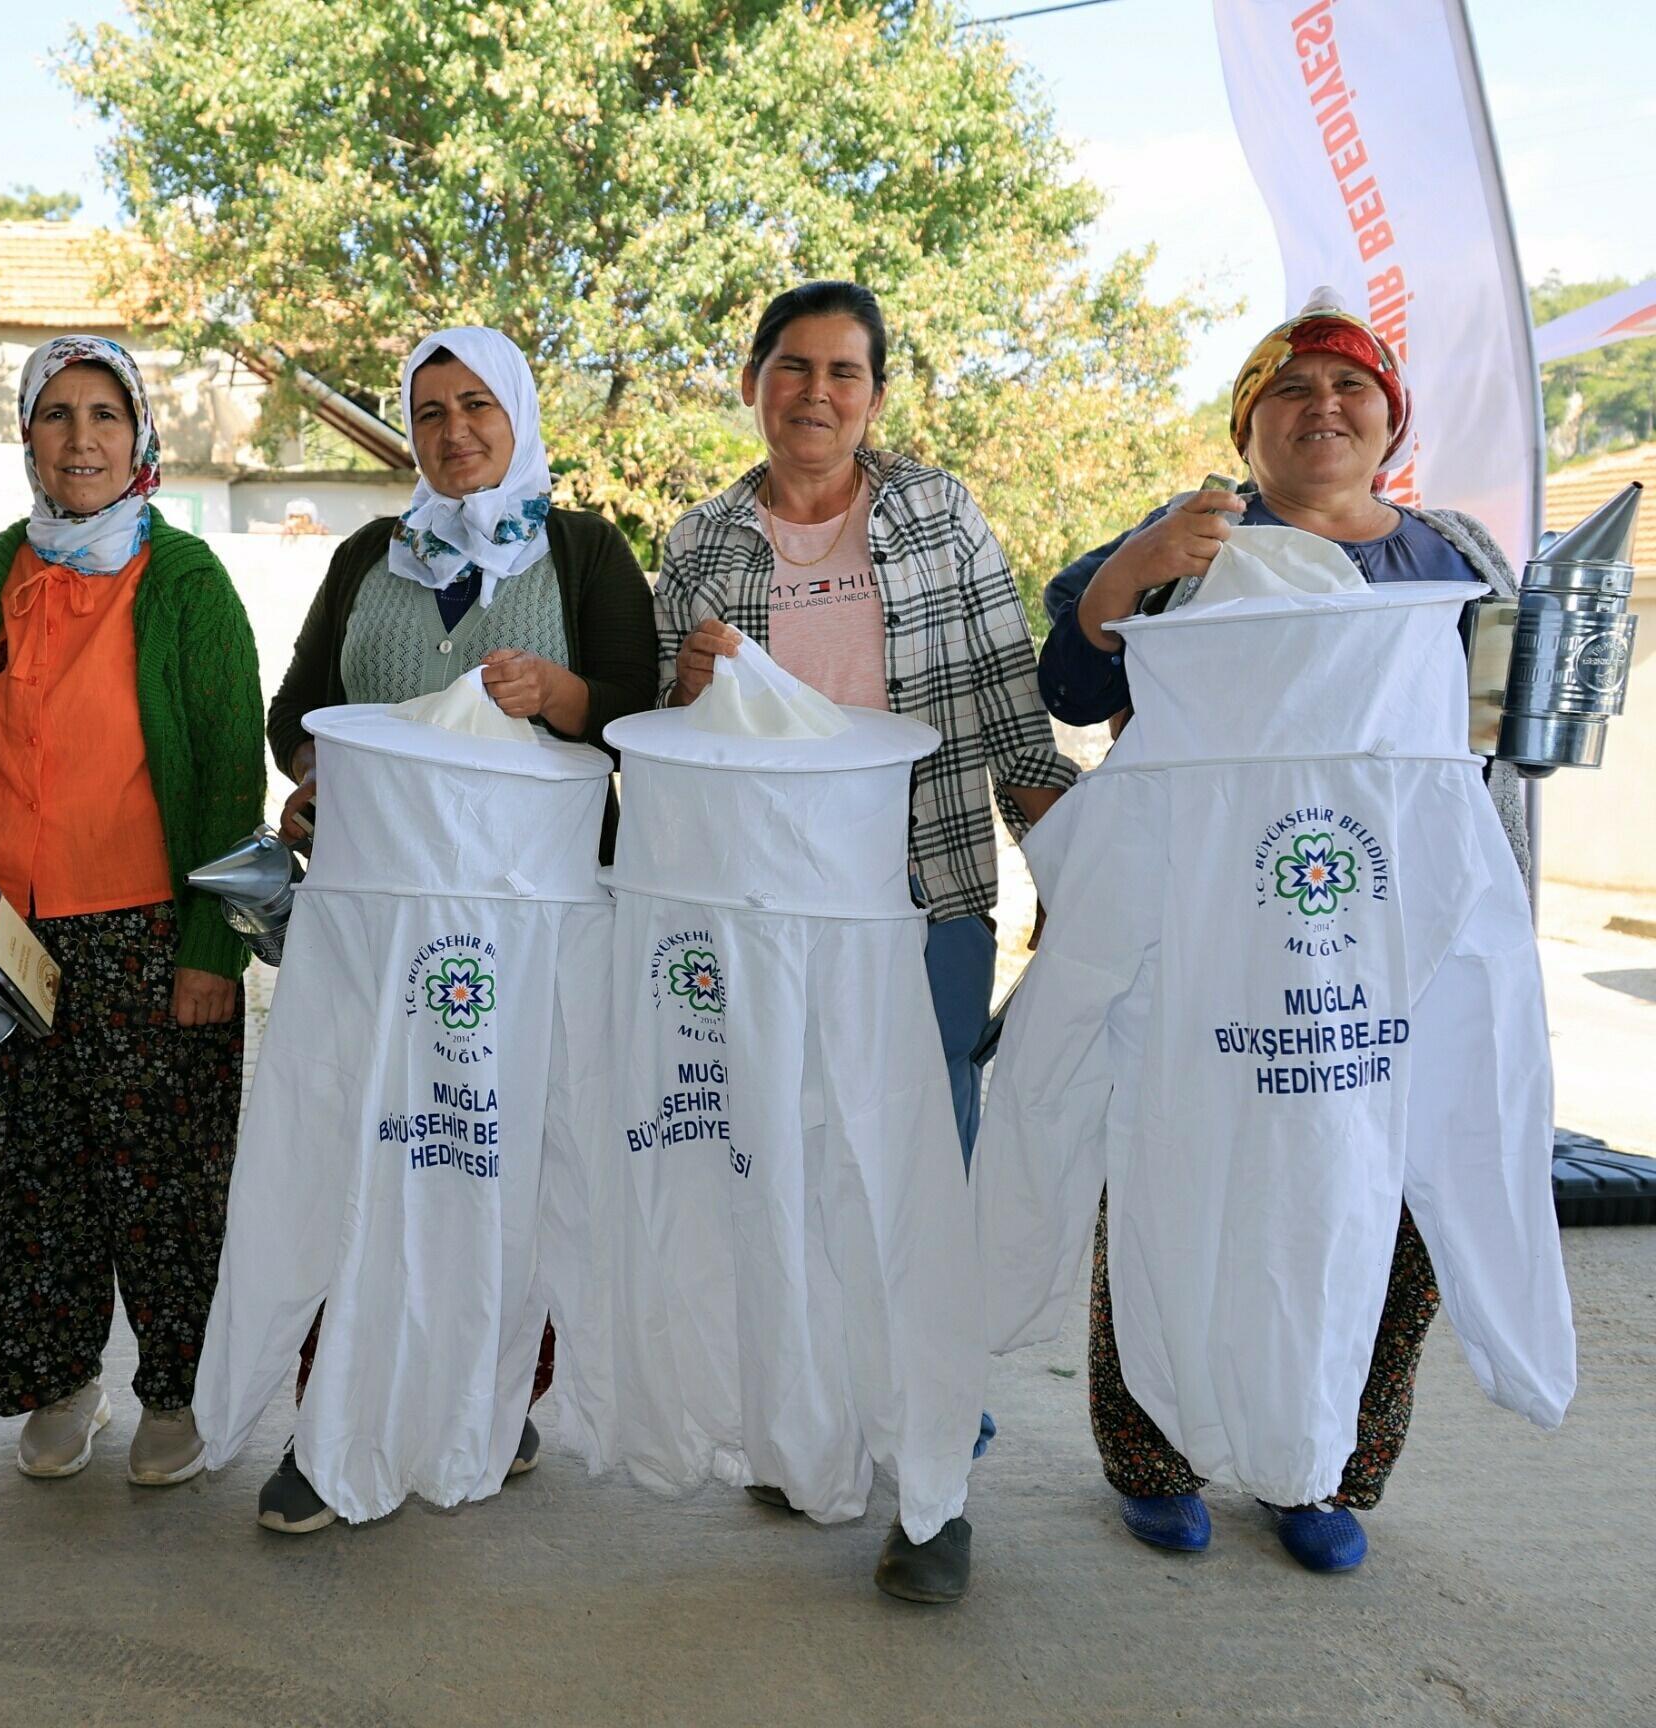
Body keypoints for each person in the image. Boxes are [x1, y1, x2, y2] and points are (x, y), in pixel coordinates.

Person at [1034, 288, 1530, 1573]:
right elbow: (1071, 685)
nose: (1324, 407)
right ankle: (1152, 1454)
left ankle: (1325, 1467)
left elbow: (1509, 731)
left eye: (1350, 387)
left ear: (1391, 420)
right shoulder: (1195, 535)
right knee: (1177, 1171)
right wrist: (1140, 567)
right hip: (1218, 933)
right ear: (1246, 427)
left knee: (1392, 1196)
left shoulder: (1456, 555)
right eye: (1289, 390)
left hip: (1401, 938)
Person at [651, 282, 1077, 1602]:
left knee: (916, 1193)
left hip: (924, 895)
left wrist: (1070, 868)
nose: (817, 394)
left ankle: (932, 1490)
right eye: (792, 367)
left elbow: (1007, 708)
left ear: (875, 395)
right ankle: (813, 1427)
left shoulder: (939, 514)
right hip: (764, 921)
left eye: (844, 372)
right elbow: (673, 744)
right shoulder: (700, 541)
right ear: (752, 383)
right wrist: (685, 689)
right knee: (782, 1175)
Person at [255, 323, 658, 1534]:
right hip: (381, 919)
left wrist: (562, 695)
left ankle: (494, 1397)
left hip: (528, 927)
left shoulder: (583, 550)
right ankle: (333, 1427)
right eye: (429, 412)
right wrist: (312, 777)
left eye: (477, 405)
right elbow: (297, 710)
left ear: (519, 414)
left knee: (504, 1158)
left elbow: (639, 709)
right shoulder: (371, 556)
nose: (454, 431)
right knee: (362, 1157)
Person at [0, 333, 263, 1490]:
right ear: (27, 436)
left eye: (104, 415)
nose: (81, 439)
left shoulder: (185, 581)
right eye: (56, 414)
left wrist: (212, 948)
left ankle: (178, 1389)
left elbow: (229, 776)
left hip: (147, 931)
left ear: (140, 439)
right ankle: (61, 1380)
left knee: (167, 1179)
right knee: (29, 1178)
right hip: (7, 939)